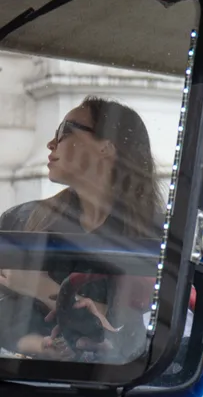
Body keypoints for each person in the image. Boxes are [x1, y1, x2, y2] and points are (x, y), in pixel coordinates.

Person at [0, 96, 163, 359]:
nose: (51, 143)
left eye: (65, 131)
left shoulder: (159, 235)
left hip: (116, 380)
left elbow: (147, 330)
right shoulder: (22, 220)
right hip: (28, 376)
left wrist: (40, 287)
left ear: (106, 147)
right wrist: (39, 345)